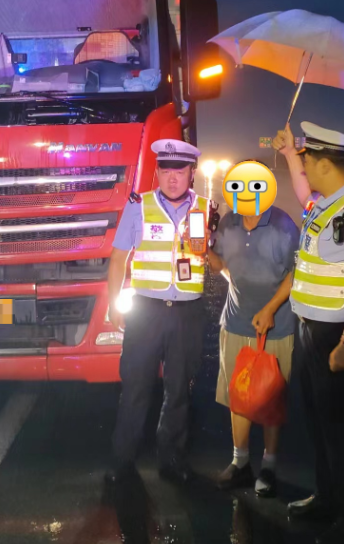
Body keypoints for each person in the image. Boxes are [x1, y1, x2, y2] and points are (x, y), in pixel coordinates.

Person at [273, 122, 344, 544]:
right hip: (311, 331)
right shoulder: (325, 205)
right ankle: (328, 499)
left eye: (308, 161)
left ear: (324, 165)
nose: (306, 170)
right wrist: (289, 155)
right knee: (321, 424)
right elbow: (303, 192)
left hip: (337, 335)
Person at [105, 138, 212, 486]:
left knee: (179, 390)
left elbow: (212, 255)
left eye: (180, 171)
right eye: (166, 171)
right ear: (158, 172)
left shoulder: (206, 209)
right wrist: (113, 304)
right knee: (136, 386)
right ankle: (122, 461)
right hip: (146, 311)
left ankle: (172, 460)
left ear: (192, 172)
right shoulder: (139, 206)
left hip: (187, 313)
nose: (172, 178)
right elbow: (118, 258)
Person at [206, 200, 299, 498]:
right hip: (235, 321)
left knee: (271, 394)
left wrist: (271, 308)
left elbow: (297, 272)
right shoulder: (229, 222)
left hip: (276, 325)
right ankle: (240, 462)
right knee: (239, 393)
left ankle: (269, 466)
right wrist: (202, 247)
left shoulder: (283, 226)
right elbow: (219, 264)